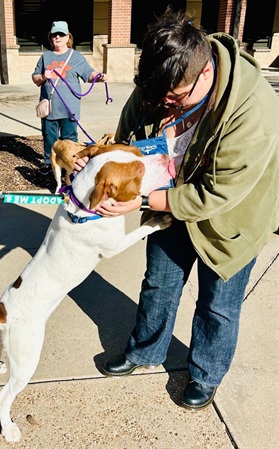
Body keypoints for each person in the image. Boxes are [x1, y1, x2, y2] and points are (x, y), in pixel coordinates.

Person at [74, 9, 278, 410]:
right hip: (169, 197)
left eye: (174, 98)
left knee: (218, 305)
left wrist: (144, 200)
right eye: (156, 96)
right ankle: (146, 352)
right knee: (159, 283)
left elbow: (218, 194)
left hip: (232, 216)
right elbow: (127, 140)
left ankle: (205, 373)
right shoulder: (162, 81)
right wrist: (96, 159)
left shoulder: (254, 111)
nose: (164, 104)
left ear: (205, 74)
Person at [32, 21, 107, 175]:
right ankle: (49, 164)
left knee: (70, 139)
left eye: (61, 34)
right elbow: (35, 78)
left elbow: (89, 73)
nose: (57, 37)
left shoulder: (76, 56)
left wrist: (98, 77)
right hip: (50, 107)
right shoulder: (45, 56)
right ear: (50, 37)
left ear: (68, 37)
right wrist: (43, 76)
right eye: (54, 34)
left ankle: (71, 165)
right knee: (49, 138)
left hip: (69, 108)